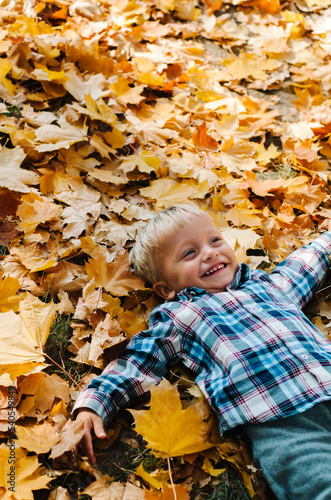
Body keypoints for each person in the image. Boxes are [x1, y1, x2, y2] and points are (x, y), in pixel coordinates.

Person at [73, 204, 331, 500]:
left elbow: (306, 262)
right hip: (280, 420)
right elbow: (137, 363)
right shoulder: (181, 316)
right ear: (165, 289)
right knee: (317, 482)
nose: (209, 253)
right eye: (189, 253)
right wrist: (94, 403)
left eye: (214, 240)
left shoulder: (269, 285)